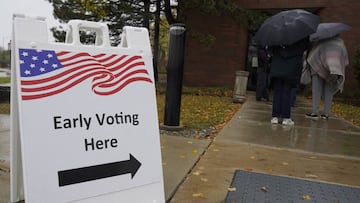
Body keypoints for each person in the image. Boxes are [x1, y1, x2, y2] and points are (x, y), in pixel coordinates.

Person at [305, 36, 349, 120]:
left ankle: (315, 112)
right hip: (333, 70)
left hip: (317, 68)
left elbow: (313, 54)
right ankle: (326, 113)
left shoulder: (321, 40)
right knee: (329, 92)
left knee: (316, 91)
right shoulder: (340, 42)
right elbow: (344, 57)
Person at [269, 38, 309, 125]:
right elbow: (304, 48)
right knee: (287, 92)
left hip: (277, 67)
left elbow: (271, 50)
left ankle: (275, 116)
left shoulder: (277, 37)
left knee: (277, 92)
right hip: (291, 68)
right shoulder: (299, 38)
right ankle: (286, 117)